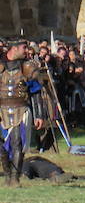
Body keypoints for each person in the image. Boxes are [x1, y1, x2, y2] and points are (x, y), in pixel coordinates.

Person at [0, 39, 51, 187]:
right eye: (24, 47)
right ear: (14, 48)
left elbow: (35, 92)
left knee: (17, 143)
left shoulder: (27, 67)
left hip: (20, 109)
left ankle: (14, 179)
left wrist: (39, 114)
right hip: (1, 109)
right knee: (1, 147)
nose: (26, 50)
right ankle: (8, 174)